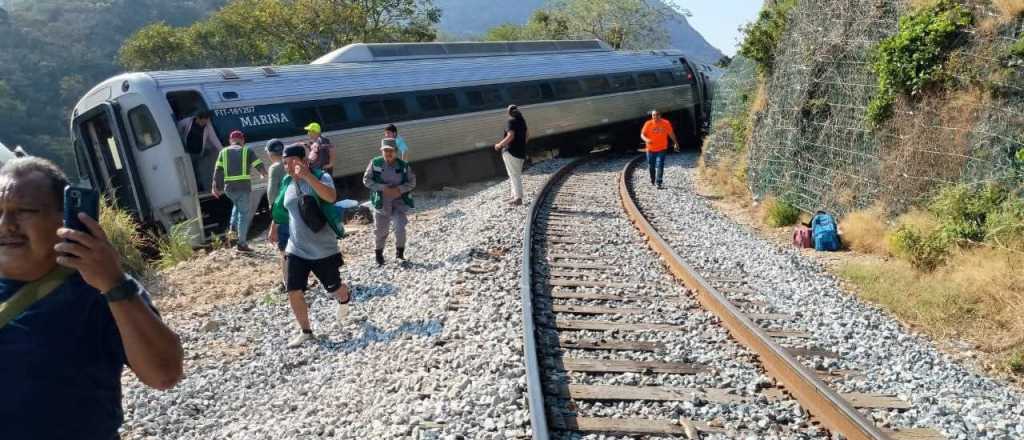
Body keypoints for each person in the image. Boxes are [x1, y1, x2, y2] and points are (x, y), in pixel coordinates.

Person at [0, 157, 183, 440]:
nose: (6, 224)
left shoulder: (99, 289)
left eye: (24, 211)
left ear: (67, 219)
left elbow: (164, 374)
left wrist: (114, 283)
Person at [269, 144, 350, 348]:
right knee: (293, 289)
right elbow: (282, 206)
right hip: (295, 248)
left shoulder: (321, 176)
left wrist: (307, 177)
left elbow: (331, 197)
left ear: (303, 161)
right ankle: (306, 331)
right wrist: (274, 226)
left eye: (290, 162)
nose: (287, 167)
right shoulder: (287, 181)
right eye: (285, 163)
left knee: (334, 289)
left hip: (323, 248)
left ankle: (344, 297)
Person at [363, 138, 416, 266]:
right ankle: (379, 255)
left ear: (396, 151)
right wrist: (382, 188)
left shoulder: (403, 166)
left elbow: (412, 182)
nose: (388, 153)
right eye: (385, 150)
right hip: (381, 202)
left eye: (391, 151)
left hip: (399, 202)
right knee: (381, 231)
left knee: (400, 227)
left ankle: (400, 254)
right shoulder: (375, 163)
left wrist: (400, 189)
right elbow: (366, 180)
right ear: (381, 151)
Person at [212, 130, 266, 252]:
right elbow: (258, 164)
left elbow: (218, 170)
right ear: (242, 140)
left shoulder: (223, 152)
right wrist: (263, 173)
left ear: (230, 141)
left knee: (237, 206)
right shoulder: (247, 150)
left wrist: (215, 187)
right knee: (243, 215)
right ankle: (241, 243)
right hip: (243, 188)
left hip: (229, 189)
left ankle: (232, 230)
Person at [177, 110, 223, 192]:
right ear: (197, 118)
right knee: (189, 172)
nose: (205, 123)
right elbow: (177, 130)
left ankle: (199, 188)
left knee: (199, 172)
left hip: (198, 153)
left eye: (207, 121)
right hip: (187, 153)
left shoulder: (208, 126)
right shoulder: (186, 122)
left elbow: (214, 139)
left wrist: (223, 151)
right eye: (203, 121)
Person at [494, 104, 528, 205]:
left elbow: (511, 135)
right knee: (514, 174)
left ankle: (518, 198)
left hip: (511, 152)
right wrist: (520, 145)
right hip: (521, 152)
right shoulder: (522, 122)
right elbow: (527, 136)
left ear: (509, 112)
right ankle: (514, 196)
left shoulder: (510, 121)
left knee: (514, 175)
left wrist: (499, 145)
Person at [265, 139, 288, 288]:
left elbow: (273, 194)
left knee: (285, 249)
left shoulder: (275, 168)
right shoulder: (290, 163)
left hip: (283, 213)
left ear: (269, 153)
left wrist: (274, 219)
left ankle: (288, 282)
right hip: (295, 210)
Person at [640, 110, 679, 189]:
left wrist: (675, 143)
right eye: (653, 115)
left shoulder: (665, 123)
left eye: (657, 115)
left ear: (660, 115)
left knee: (660, 164)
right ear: (652, 116)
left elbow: (671, 133)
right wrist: (646, 140)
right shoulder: (648, 123)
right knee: (651, 166)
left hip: (662, 148)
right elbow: (642, 135)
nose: (655, 116)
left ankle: (659, 182)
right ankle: (653, 179)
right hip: (650, 149)